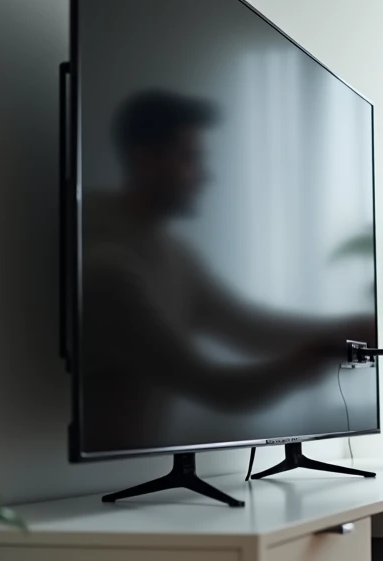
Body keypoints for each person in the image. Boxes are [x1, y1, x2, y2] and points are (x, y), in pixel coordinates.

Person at [80, 89, 338, 453]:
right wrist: (299, 366)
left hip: (132, 472)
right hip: (97, 483)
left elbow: (248, 329)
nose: (204, 176)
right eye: (190, 160)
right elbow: (211, 385)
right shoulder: (107, 263)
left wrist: (351, 331)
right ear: (145, 161)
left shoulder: (171, 251)